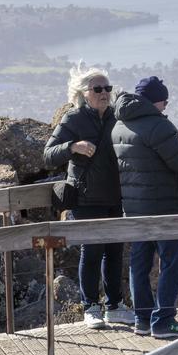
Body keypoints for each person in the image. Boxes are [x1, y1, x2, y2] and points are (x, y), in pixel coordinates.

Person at [44, 64, 134, 329]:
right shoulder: (73, 119)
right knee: (92, 250)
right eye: (98, 88)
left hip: (115, 195)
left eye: (108, 88)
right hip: (85, 197)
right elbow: (48, 155)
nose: (105, 92)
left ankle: (115, 306)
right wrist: (73, 146)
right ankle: (91, 306)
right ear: (84, 93)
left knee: (115, 251)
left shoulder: (117, 116)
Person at [112, 76, 178, 340]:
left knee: (139, 263)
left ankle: (142, 318)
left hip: (134, 208)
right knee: (172, 262)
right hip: (163, 206)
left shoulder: (119, 125)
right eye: (165, 101)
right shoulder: (159, 126)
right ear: (157, 100)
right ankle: (163, 320)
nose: (166, 106)